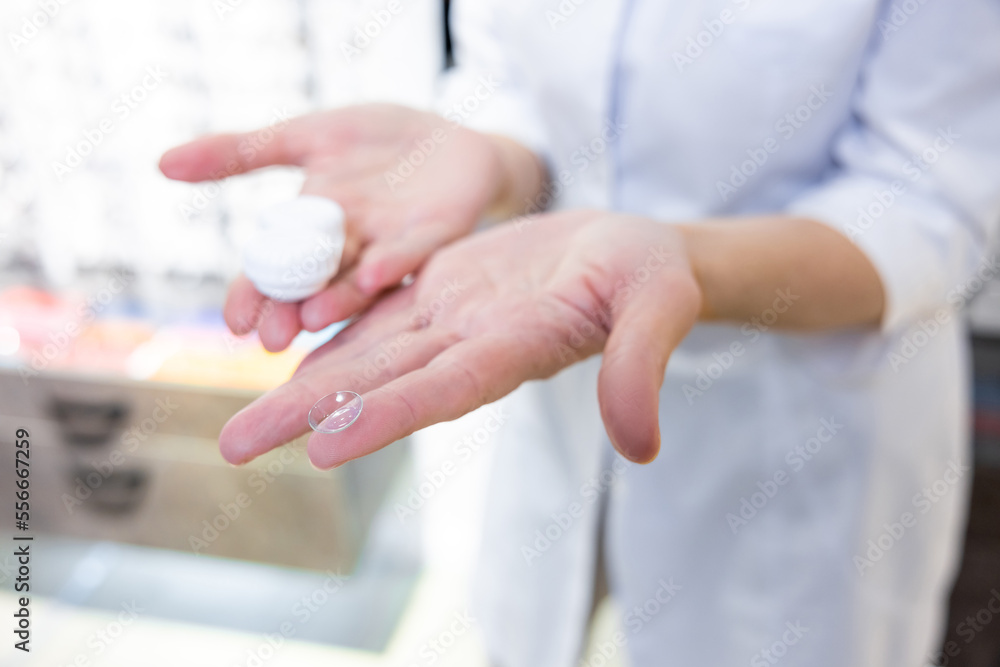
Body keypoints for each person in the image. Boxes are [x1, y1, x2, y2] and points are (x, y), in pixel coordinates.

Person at [159, 1, 1000, 665]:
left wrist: (686, 263)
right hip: (551, 380)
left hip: (799, 434)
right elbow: (514, 77)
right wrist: (488, 157)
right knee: (534, 630)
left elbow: (927, 197)